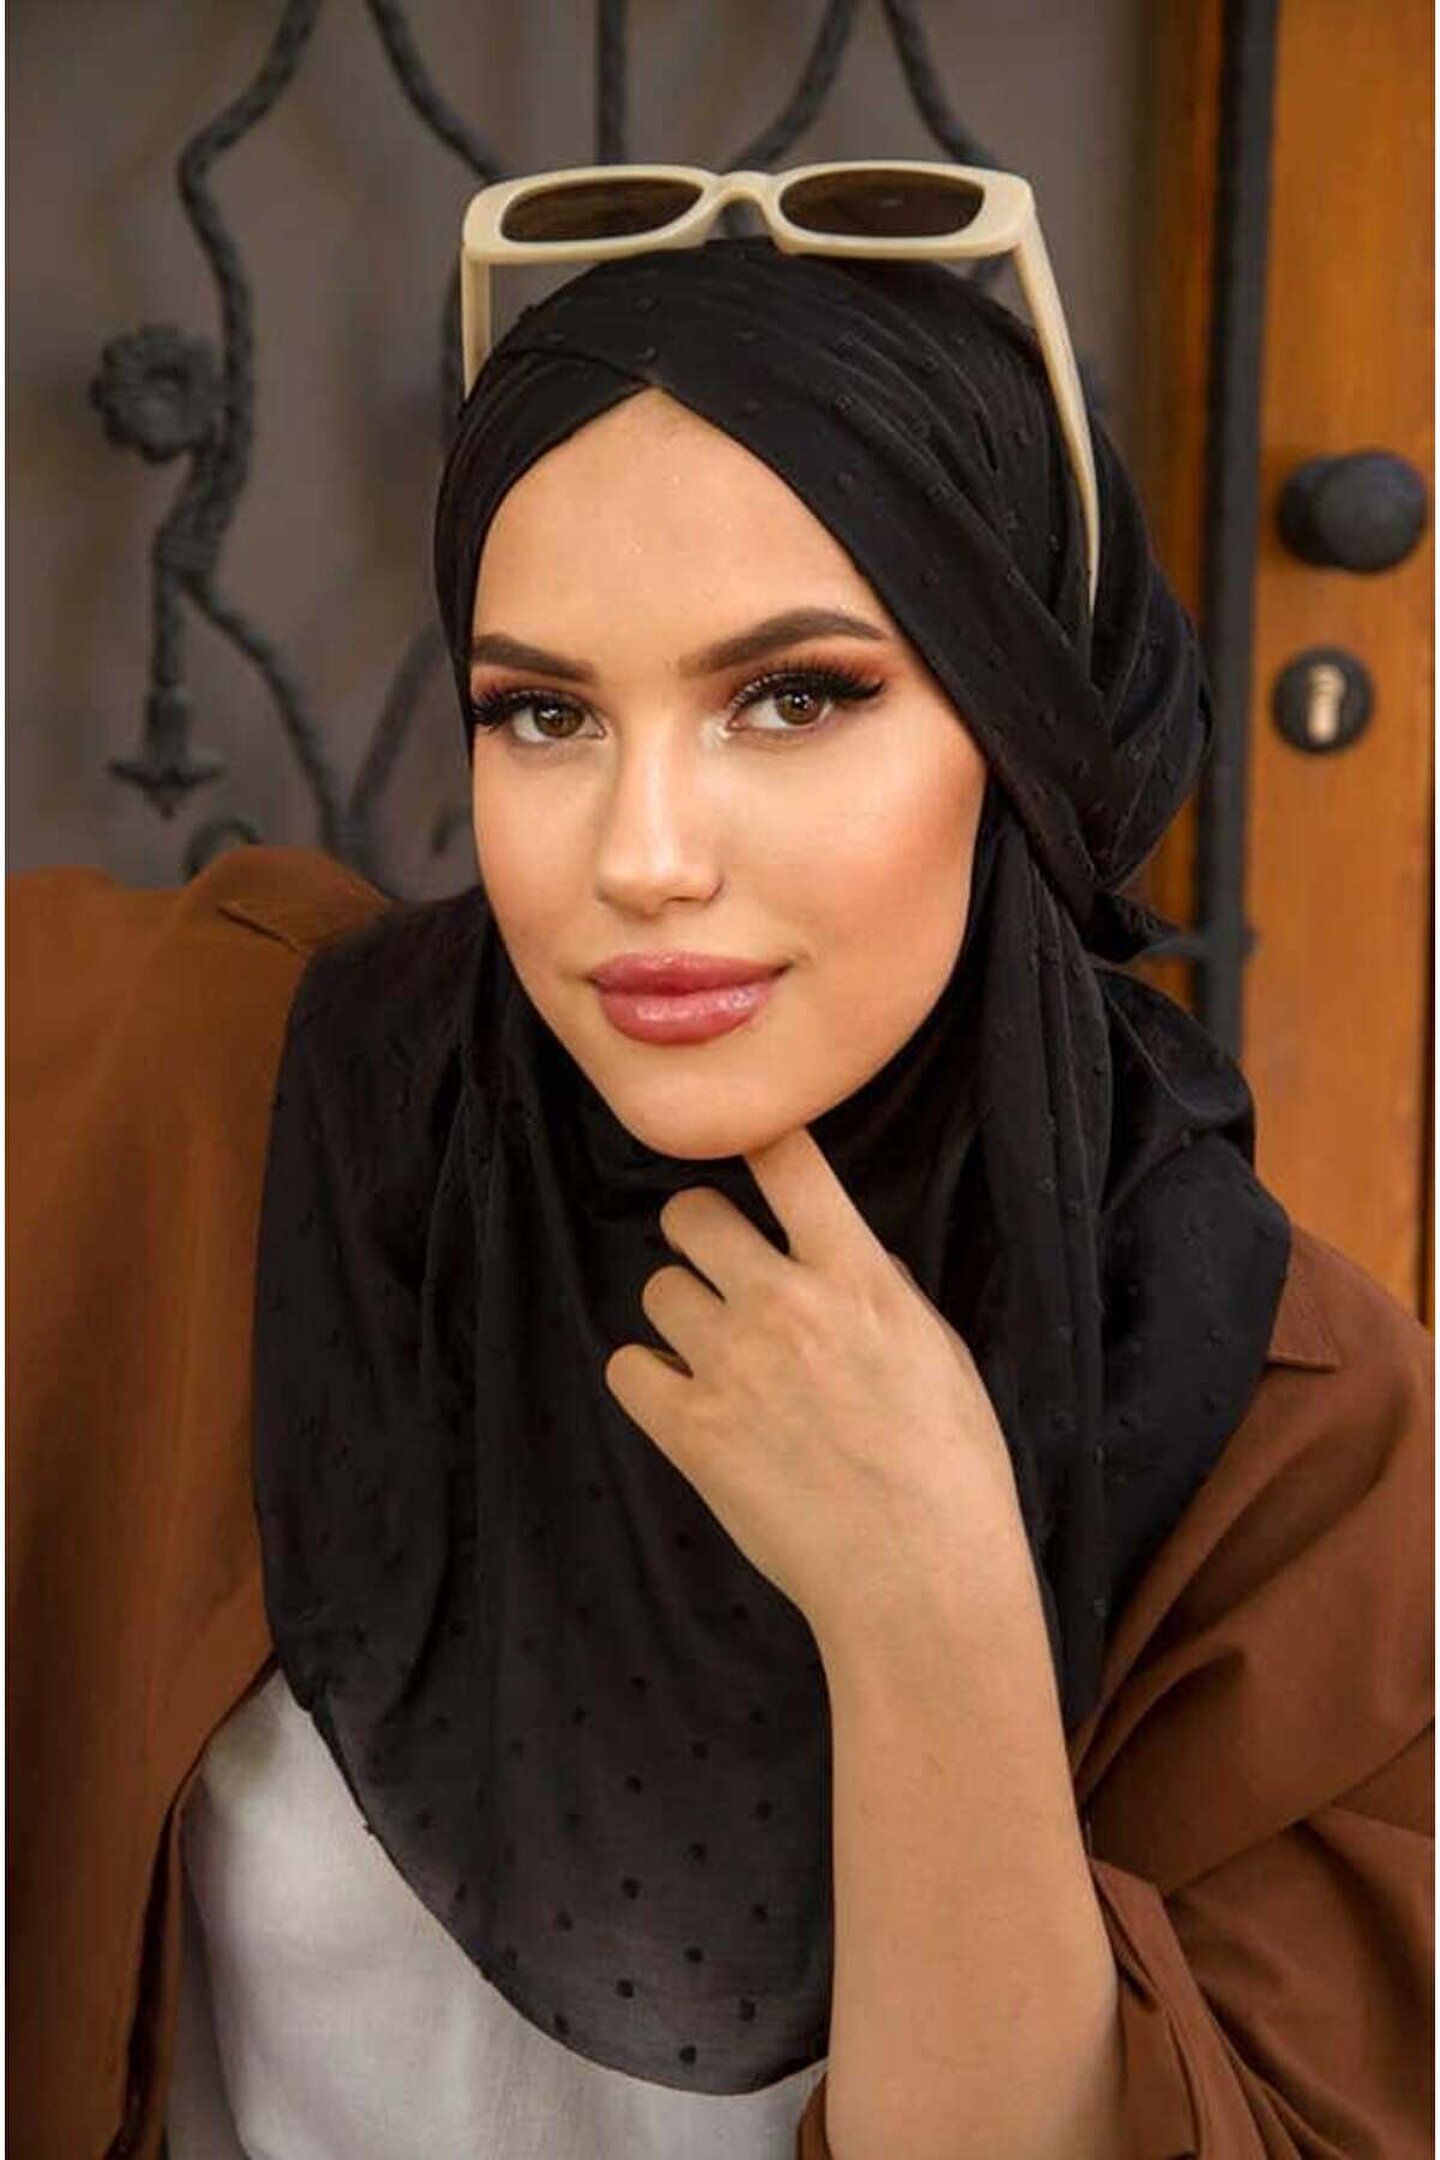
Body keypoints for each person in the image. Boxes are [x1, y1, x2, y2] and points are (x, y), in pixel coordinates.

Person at [8, 230, 1431, 2160]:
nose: (644, 855)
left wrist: (931, 1606)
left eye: (795, 698)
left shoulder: (1299, 1433)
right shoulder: (199, 1097)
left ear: (1032, 724)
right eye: (545, 714)